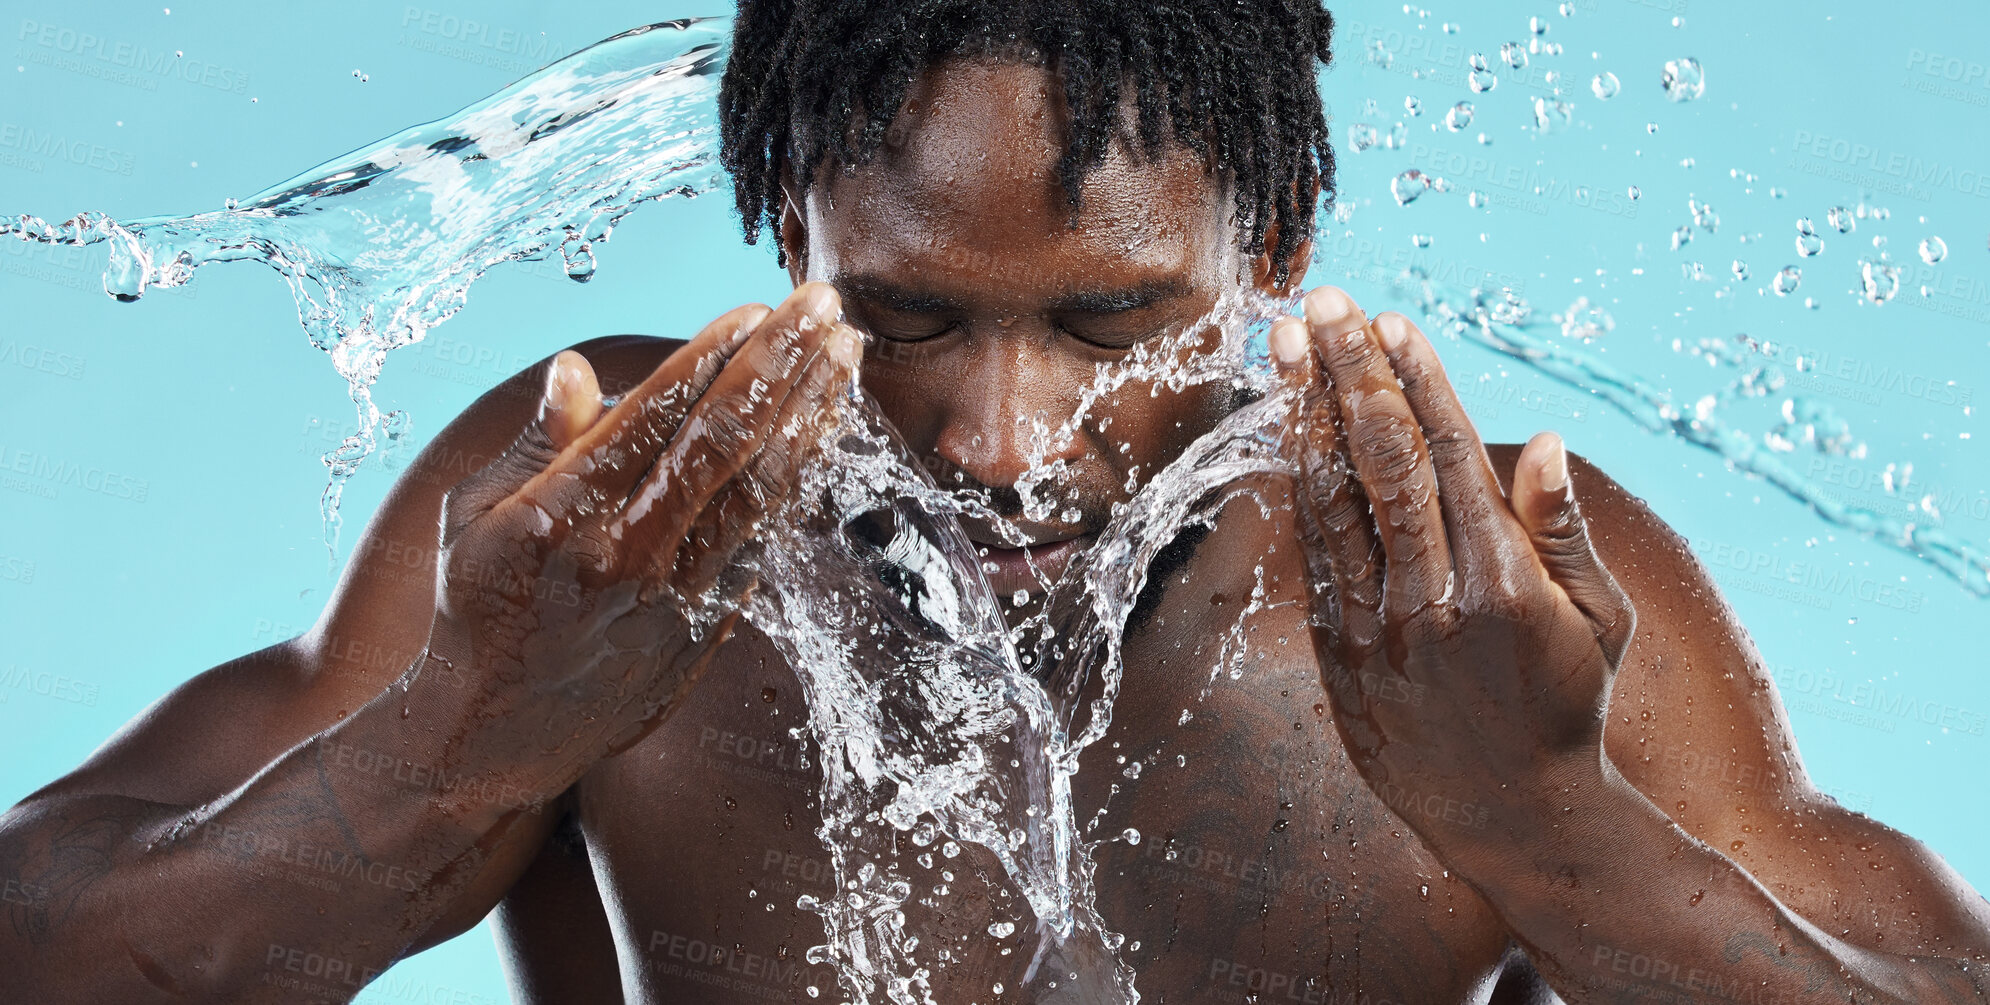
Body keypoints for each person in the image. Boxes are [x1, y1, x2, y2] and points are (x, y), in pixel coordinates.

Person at [4, 3, 1986, 1003]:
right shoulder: (593, 509)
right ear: (791, 228)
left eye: (1112, 316)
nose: (1002, 436)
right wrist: (447, 748)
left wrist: (1541, 822)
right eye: (903, 314)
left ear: (1276, 237)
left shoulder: (1476, 581)